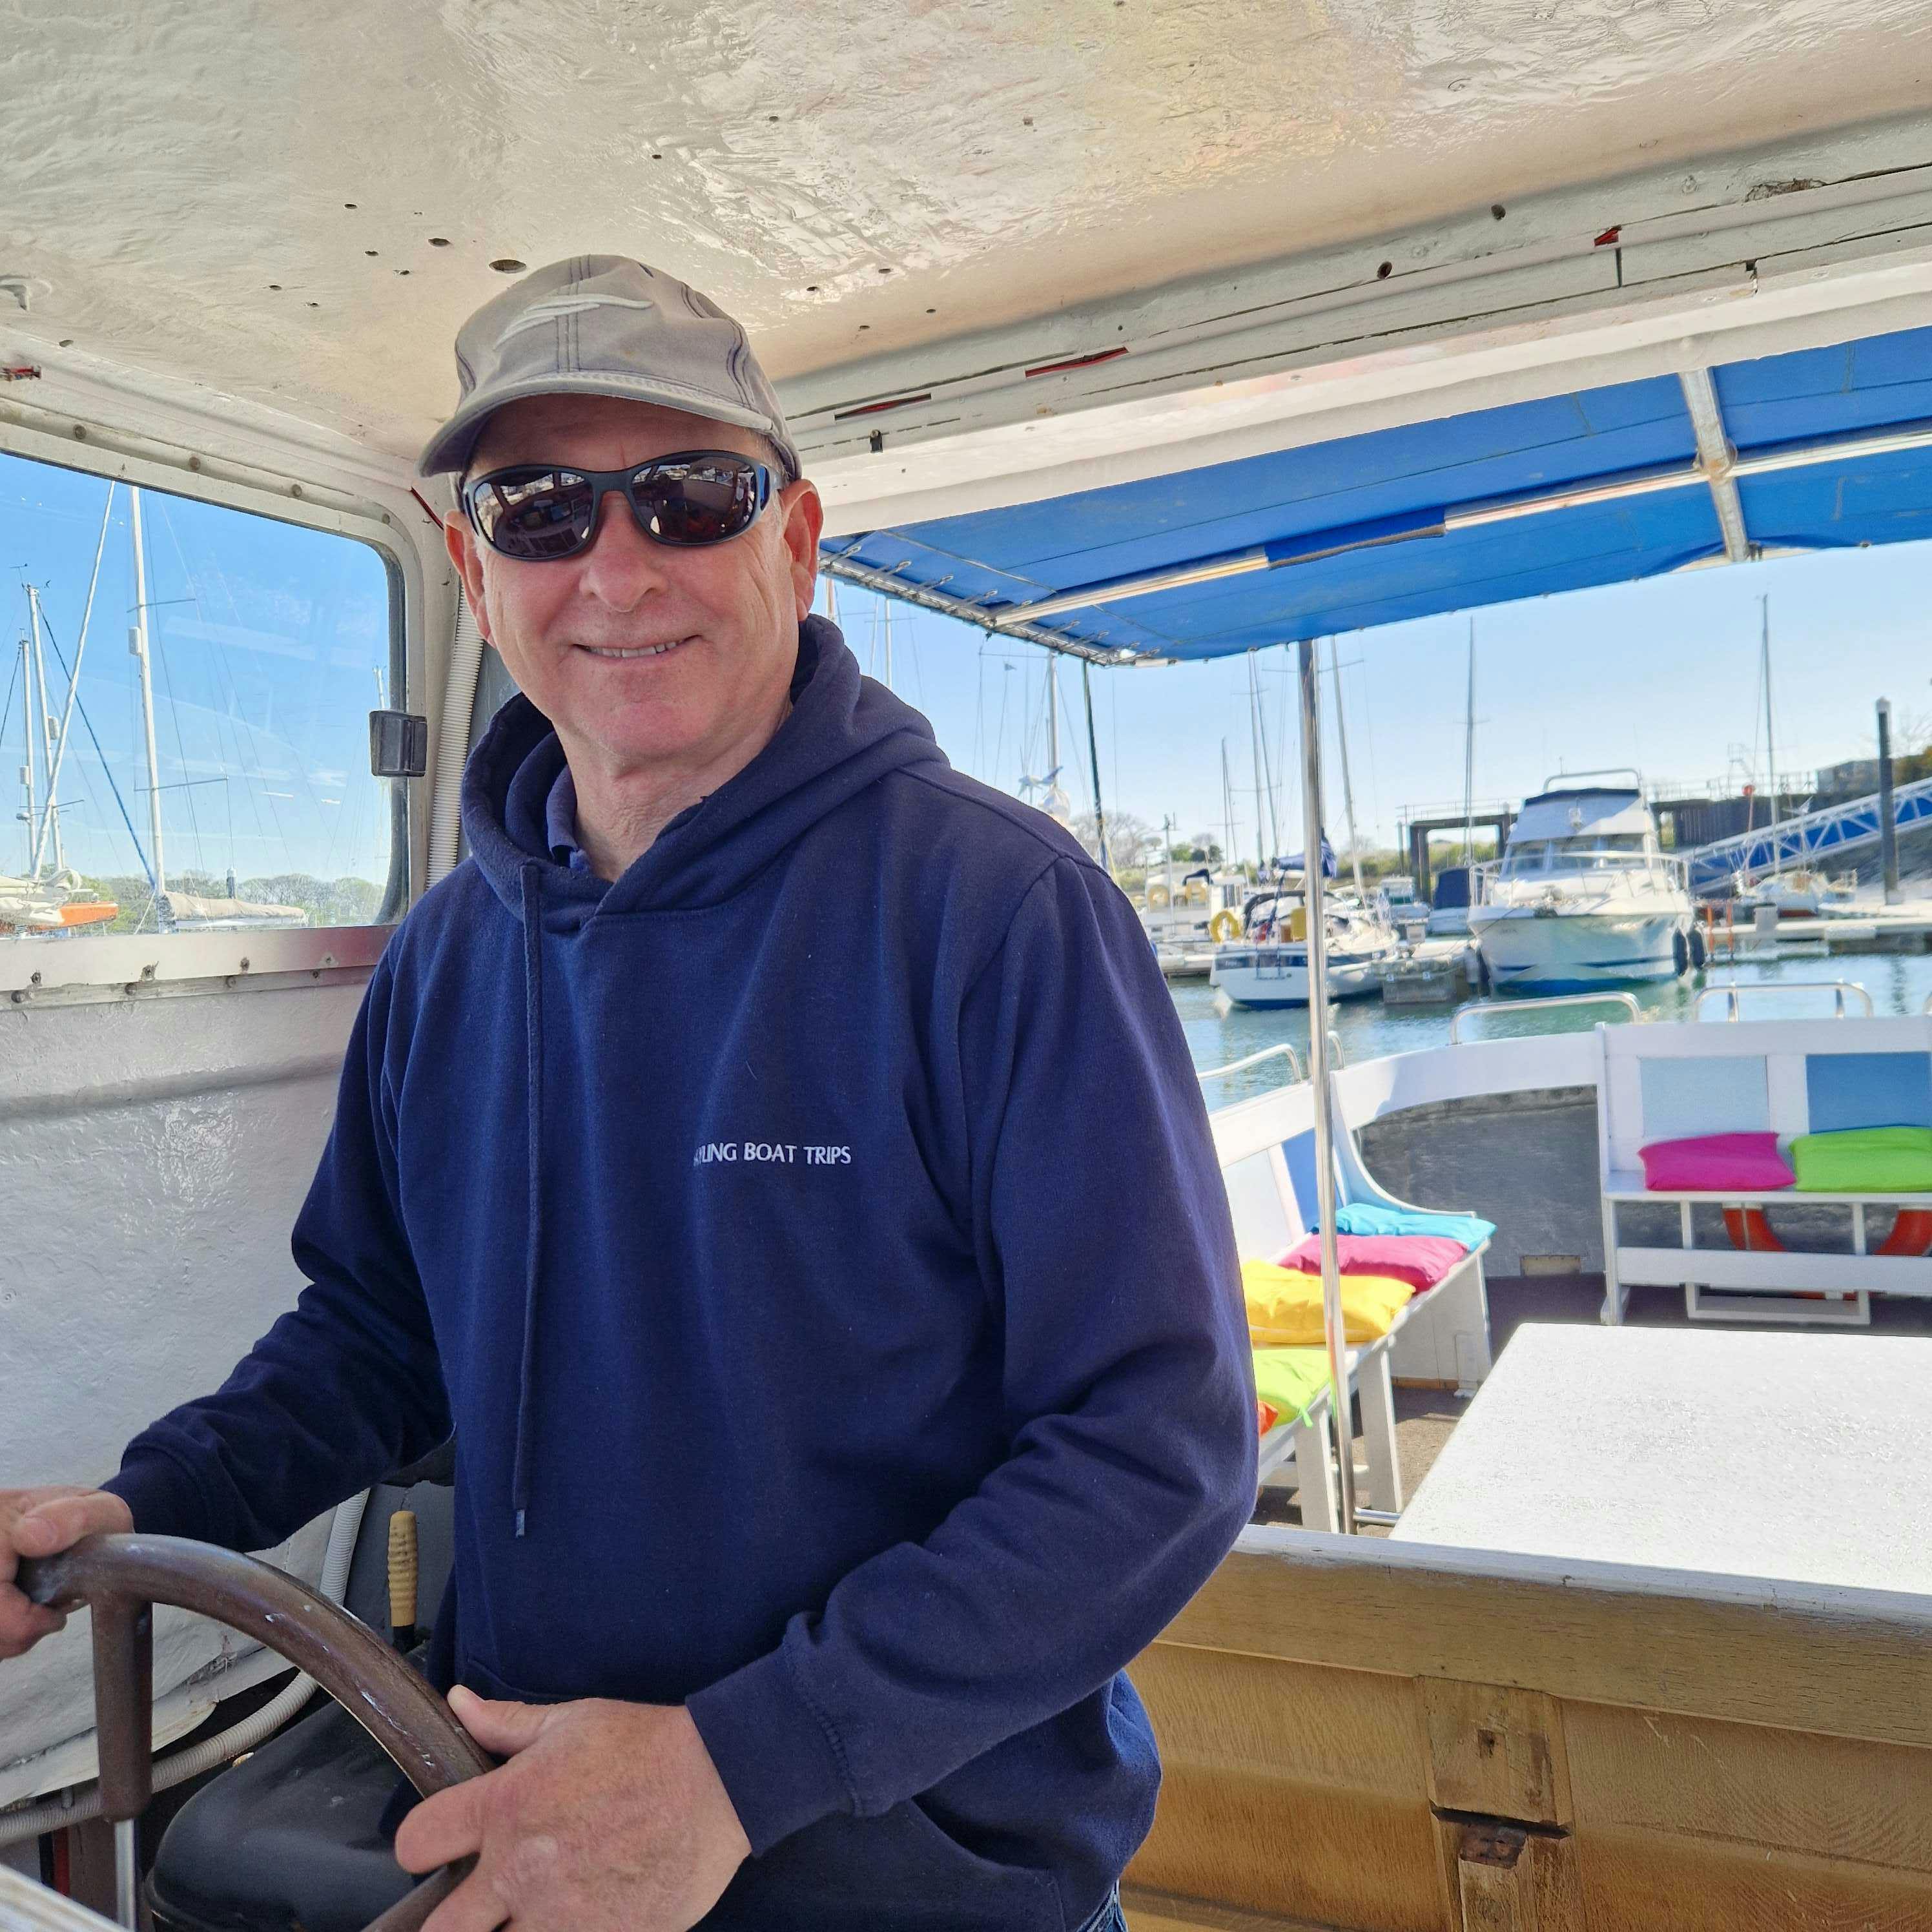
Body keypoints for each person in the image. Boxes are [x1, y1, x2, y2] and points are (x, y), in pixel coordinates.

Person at [0, 256, 1256, 1932]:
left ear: (794, 543)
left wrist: (740, 1766)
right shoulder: (445, 963)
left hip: (917, 1881)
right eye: (540, 508)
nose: (617, 564)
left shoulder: (996, 916)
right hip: (536, 1844)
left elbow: (1156, 1445)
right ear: (472, 571)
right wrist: (151, 1499)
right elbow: (376, 1337)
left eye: (689, 497)